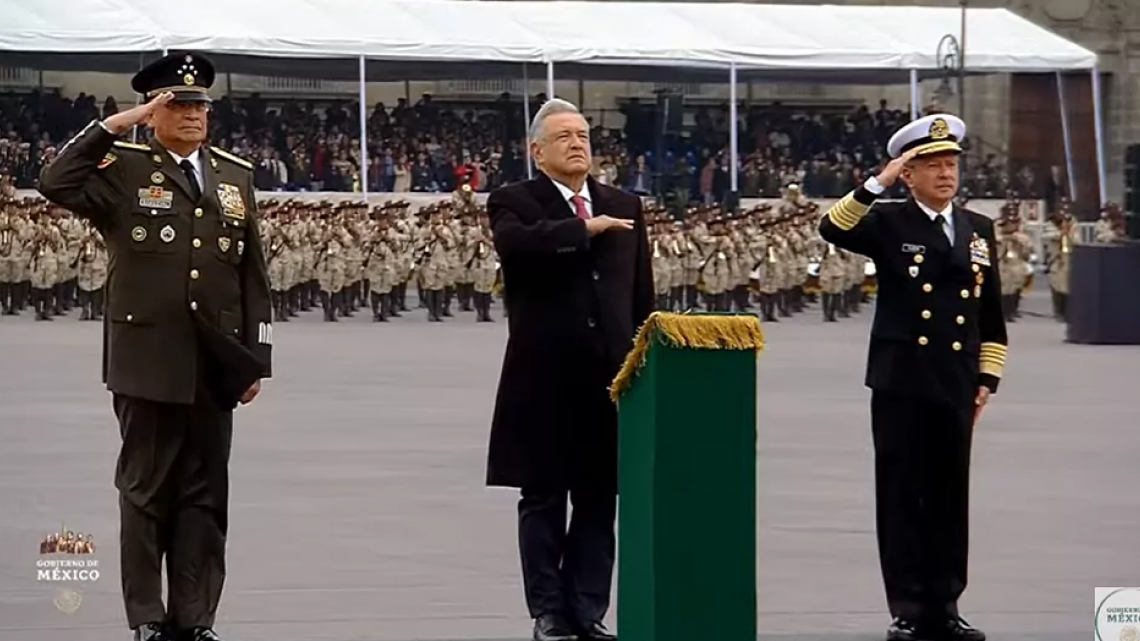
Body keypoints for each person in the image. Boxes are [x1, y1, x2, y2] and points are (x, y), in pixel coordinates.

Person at [38, 52, 272, 641]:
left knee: (204, 498)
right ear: (153, 110)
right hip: (146, 361)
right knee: (145, 492)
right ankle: (146, 617)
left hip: (214, 366)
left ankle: (195, 619)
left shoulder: (235, 176)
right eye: (177, 104)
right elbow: (55, 182)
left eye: (199, 105)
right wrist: (116, 124)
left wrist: (255, 361)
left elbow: (252, 277)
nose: (192, 114)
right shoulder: (123, 168)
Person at [818, 113, 1007, 641]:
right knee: (902, 495)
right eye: (933, 166)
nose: (946, 174)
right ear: (910, 173)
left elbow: (989, 314)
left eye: (951, 164)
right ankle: (906, 606)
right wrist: (877, 182)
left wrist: (987, 378)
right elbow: (833, 226)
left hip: (955, 379)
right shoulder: (890, 221)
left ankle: (946, 604)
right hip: (902, 379)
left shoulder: (978, 229)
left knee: (950, 496)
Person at [485, 98, 654, 641]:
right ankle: (548, 610)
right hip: (543, 380)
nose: (577, 143)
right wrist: (583, 230)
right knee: (543, 497)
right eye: (563, 137)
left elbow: (640, 293)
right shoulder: (516, 201)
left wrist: (647, 362)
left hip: (609, 381)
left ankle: (588, 608)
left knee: (600, 497)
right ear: (537, 152)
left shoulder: (625, 202)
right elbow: (516, 247)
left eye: (582, 135)